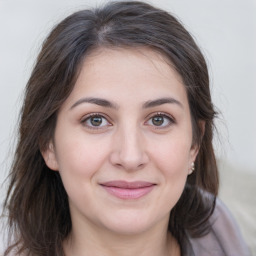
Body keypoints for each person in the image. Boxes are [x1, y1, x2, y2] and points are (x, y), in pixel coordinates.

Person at [2, 1, 250, 256]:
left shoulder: (225, 237)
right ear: (48, 144)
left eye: (158, 119)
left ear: (194, 144)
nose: (130, 157)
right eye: (96, 120)